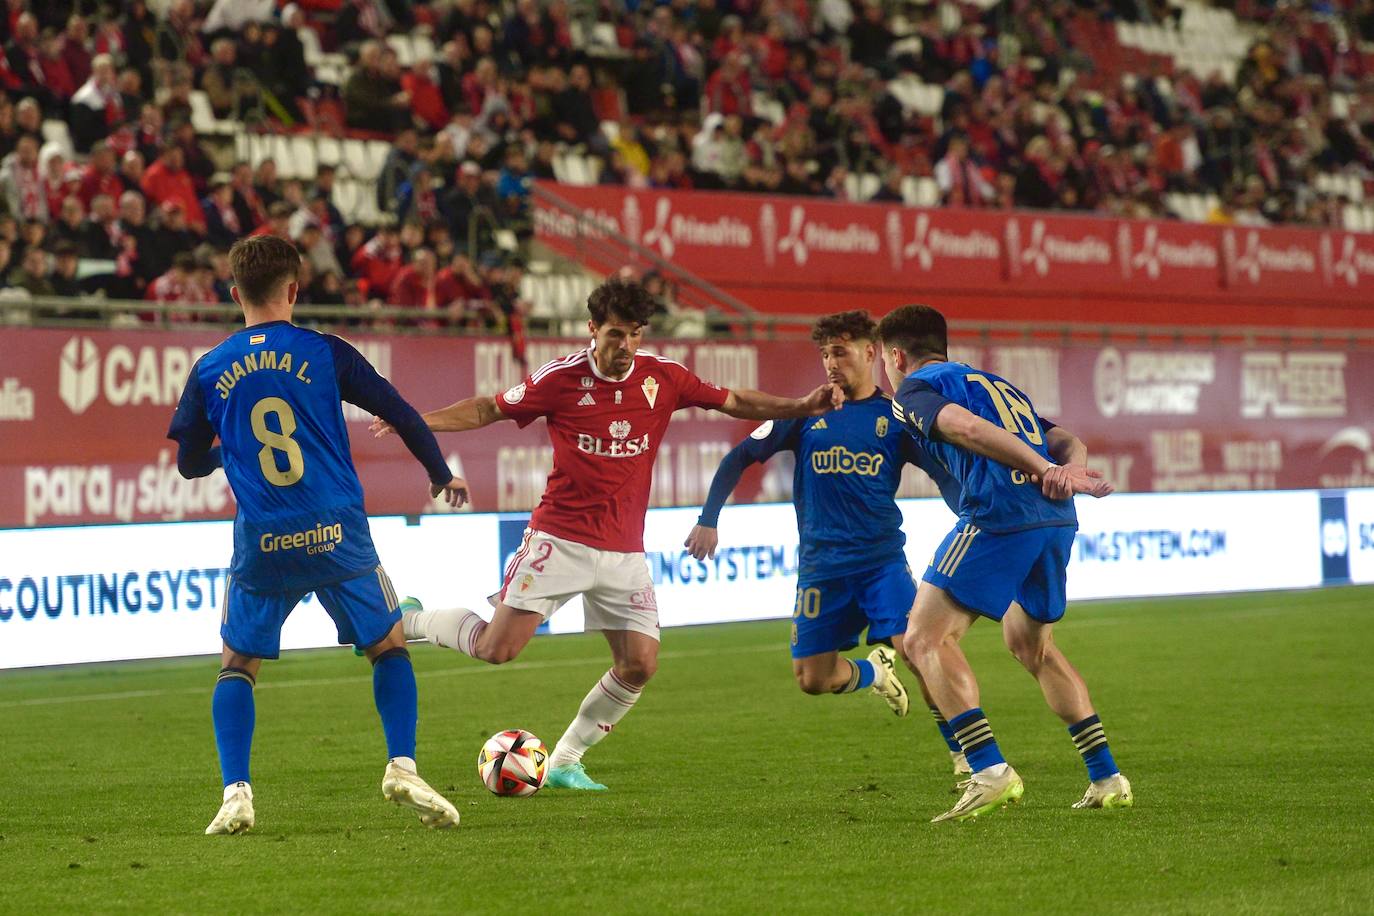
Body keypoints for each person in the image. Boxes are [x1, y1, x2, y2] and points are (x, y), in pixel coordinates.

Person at [373, 278, 841, 791]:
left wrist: (800, 406)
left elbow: (733, 400)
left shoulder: (663, 378)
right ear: (593, 329)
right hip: (560, 539)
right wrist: (414, 422)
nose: (626, 347)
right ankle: (408, 619)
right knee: (496, 649)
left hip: (624, 551)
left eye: (635, 335)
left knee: (640, 664)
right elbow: (489, 408)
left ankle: (567, 759)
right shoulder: (562, 378)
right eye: (616, 334)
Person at [167, 235, 469, 835]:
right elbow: (401, 412)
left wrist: (233, 454)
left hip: (264, 538)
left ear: (234, 295)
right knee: (387, 643)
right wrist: (440, 473)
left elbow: (188, 463)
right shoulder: (325, 352)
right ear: (294, 290)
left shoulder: (209, 368)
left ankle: (236, 793)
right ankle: (402, 766)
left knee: (237, 665)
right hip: (337, 529)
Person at [876, 303, 1128, 823]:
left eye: (883, 357)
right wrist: (1068, 472)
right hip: (1055, 519)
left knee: (923, 639)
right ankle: (1107, 777)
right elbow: (1067, 441)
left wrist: (1042, 468)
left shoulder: (915, 390)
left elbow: (964, 429)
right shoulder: (992, 383)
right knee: (1031, 645)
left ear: (896, 354)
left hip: (1000, 514)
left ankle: (989, 772)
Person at [685, 310, 970, 770]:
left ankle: (964, 752)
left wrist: (973, 518)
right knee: (812, 678)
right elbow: (740, 457)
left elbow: (943, 475)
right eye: (824, 354)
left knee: (918, 650)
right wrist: (708, 519)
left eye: (839, 351)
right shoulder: (807, 413)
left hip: (881, 563)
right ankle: (873, 673)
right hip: (821, 567)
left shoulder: (896, 418)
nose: (830, 362)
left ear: (871, 352)